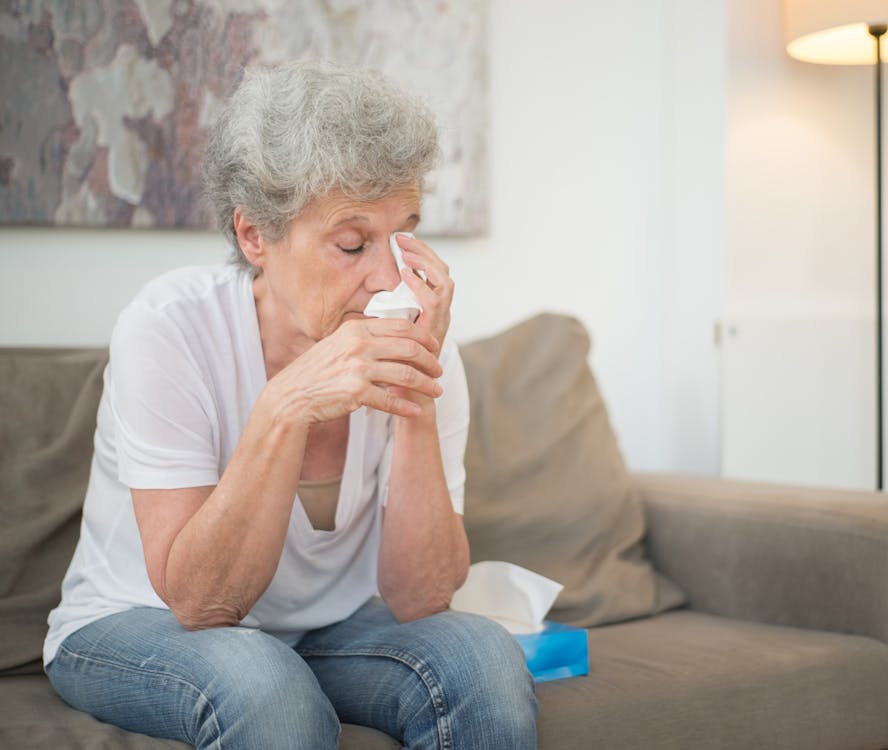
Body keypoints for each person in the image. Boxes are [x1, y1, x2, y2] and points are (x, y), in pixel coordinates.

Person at [43, 59, 538, 750]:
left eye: (403, 235)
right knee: (266, 684)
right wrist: (284, 406)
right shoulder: (168, 329)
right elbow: (199, 601)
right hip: (136, 620)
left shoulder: (420, 341)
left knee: (482, 657)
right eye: (352, 242)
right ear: (255, 237)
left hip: (325, 627)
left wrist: (415, 393)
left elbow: (421, 599)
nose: (391, 277)